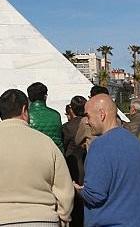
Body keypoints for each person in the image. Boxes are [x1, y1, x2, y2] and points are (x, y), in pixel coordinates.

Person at [0, 88, 72, 227]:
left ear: (1, 113)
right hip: (41, 219)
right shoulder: (46, 143)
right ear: (25, 110)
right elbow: (64, 189)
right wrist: (63, 216)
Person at [75, 94, 140, 227]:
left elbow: (94, 195)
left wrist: (76, 190)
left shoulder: (100, 146)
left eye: (88, 116)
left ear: (101, 114)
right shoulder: (136, 142)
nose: (87, 121)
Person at [61, 96, 90, 227]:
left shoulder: (67, 127)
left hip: (73, 165)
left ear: (71, 109)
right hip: (87, 164)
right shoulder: (89, 123)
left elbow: (64, 145)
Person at [26, 82, 64, 151]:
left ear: (28, 98)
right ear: (45, 97)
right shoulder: (56, 115)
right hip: (55, 155)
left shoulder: (25, 115)